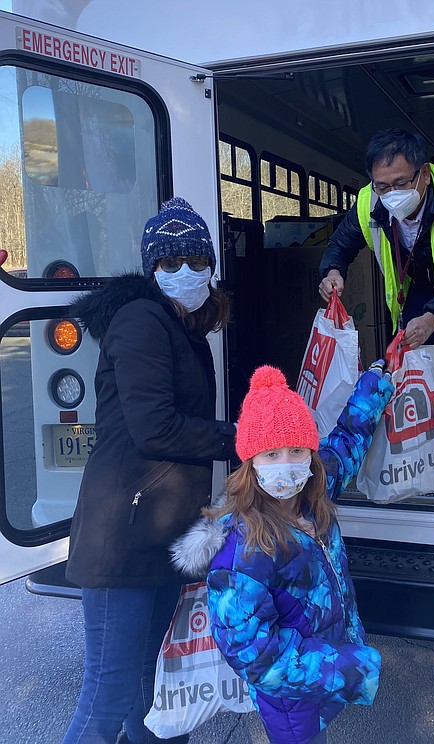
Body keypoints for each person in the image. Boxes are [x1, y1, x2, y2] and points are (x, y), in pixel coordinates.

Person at [62, 197, 237, 744]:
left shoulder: (184, 328)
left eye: (194, 258)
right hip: (123, 537)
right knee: (109, 695)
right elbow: (155, 428)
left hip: (161, 534)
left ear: (210, 264)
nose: (184, 272)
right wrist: (245, 439)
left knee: (157, 688)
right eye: (169, 262)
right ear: (150, 270)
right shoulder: (141, 320)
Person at [170, 361, 395, 744]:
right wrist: (348, 668)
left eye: (296, 450)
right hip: (292, 704)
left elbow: (348, 438)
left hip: (322, 677)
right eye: (271, 454)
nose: (287, 465)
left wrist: (379, 377)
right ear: (250, 463)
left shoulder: (312, 496)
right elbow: (258, 657)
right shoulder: (240, 552)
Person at [318, 127, 434, 494]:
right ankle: (410, 451)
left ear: (424, 174)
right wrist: (332, 271)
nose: (391, 194)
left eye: (400, 182)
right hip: (421, 286)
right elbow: (341, 243)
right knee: (402, 364)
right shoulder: (368, 202)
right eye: (382, 185)